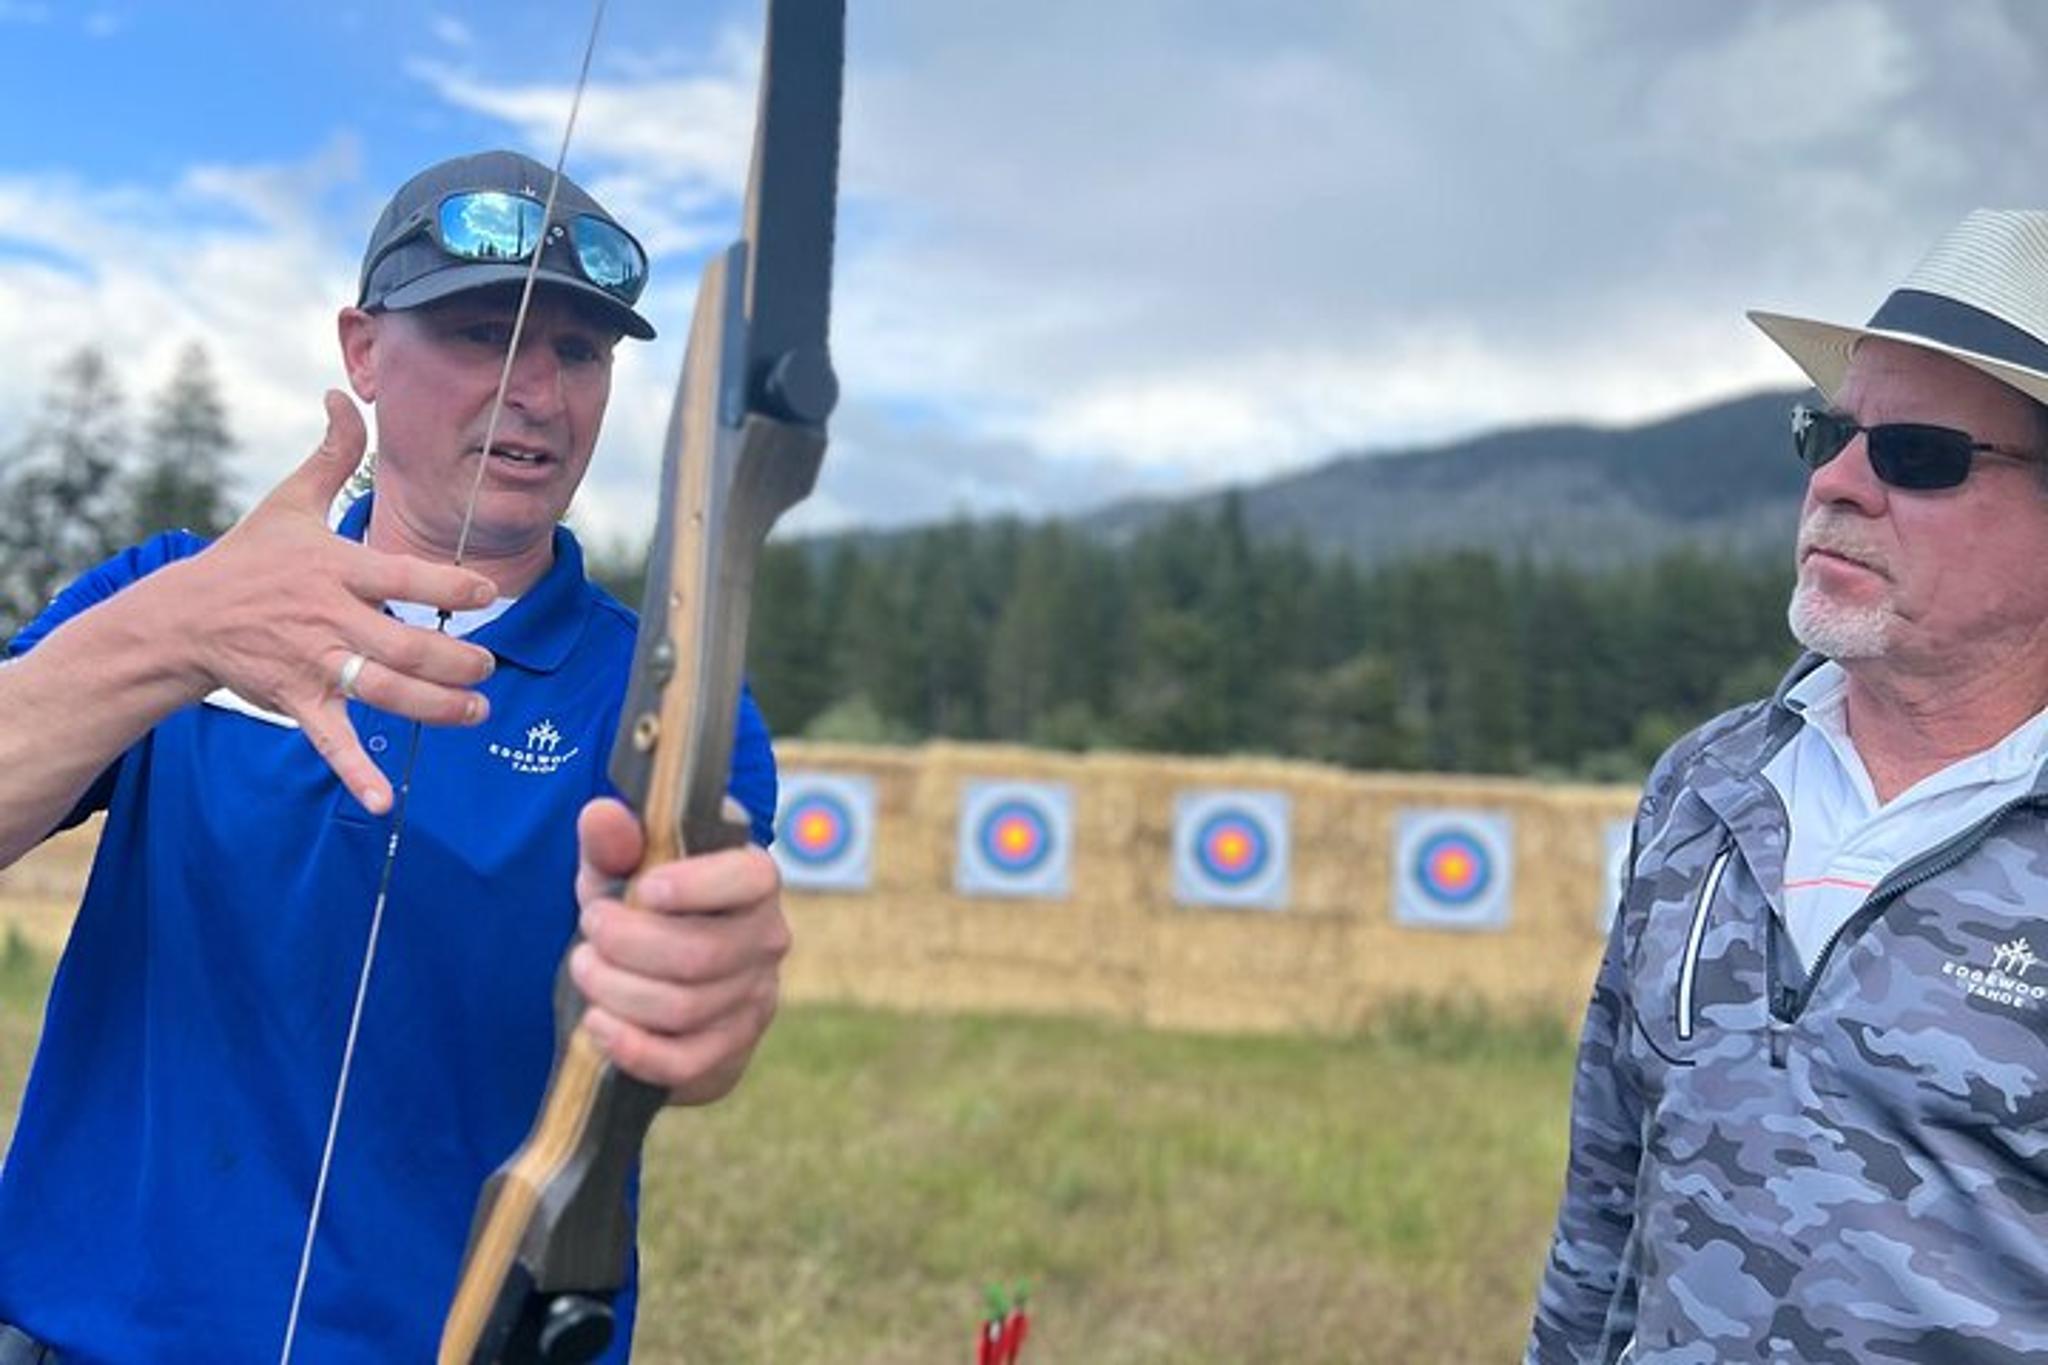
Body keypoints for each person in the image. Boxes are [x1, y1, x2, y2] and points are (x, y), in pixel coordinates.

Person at [0, 150, 790, 1363]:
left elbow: (685, 1008)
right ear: (363, 352)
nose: (538, 391)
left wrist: (706, 999)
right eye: (484, 334)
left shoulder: (666, 701)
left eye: (580, 352)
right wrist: (183, 631)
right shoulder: (175, 595)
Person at [1526, 207, 2048, 1362]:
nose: (1840, 483)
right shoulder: (1707, 782)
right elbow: (1605, 1196)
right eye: (1828, 433)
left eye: (1916, 455)